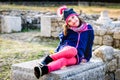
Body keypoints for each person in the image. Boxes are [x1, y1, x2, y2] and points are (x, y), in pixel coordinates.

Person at [34, 5, 94, 79]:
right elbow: (61, 43)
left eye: (73, 17)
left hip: (78, 56)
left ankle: (43, 70)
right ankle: (49, 58)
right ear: (67, 24)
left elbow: (89, 44)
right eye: (69, 21)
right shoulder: (68, 30)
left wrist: (87, 57)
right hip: (67, 50)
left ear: (76, 15)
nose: (73, 21)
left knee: (63, 61)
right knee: (73, 50)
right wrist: (56, 52)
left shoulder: (88, 28)